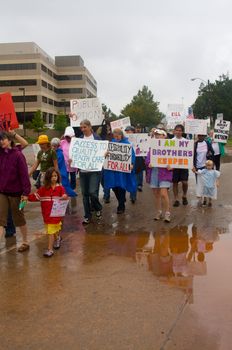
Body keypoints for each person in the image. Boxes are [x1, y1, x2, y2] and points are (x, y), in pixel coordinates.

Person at [0, 131, 31, 252]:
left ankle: (25, 241)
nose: (1, 141)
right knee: (1, 220)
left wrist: (26, 193)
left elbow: (24, 175)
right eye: (0, 140)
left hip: (17, 193)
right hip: (2, 192)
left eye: (3, 139)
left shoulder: (17, 154)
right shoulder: (1, 153)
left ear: (9, 140)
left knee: (19, 218)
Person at [28, 167, 68, 257]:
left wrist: (64, 196)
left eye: (55, 176)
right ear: (48, 177)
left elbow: (65, 195)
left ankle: (50, 249)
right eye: (52, 176)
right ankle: (57, 238)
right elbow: (36, 196)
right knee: (52, 230)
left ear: (58, 177)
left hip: (56, 215)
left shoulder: (60, 188)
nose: (54, 178)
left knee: (50, 231)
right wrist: (27, 197)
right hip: (46, 215)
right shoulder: (43, 189)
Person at [104, 128, 136, 214]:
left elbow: (132, 155)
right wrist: (106, 154)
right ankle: (121, 200)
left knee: (121, 186)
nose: (116, 137)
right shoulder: (112, 144)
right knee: (114, 187)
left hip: (122, 171)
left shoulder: (127, 144)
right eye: (115, 136)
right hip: (114, 170)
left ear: (121, 135)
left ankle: (121, 206)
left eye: (118, 136)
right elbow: (107, 154)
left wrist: (132, 163)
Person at [4, 130, 29, 238]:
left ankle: (14, 232)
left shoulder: (16, 152)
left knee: (16, 212)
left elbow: (25, 144)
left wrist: (13, 134)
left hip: (15, 189)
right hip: (3, 187)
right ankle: (9, 228)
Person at [78, 119, 103, 225]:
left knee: (93, 192)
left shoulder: (97, 138)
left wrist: (104, 153)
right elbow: (76, 153)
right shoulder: (79, 139)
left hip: (94, 170)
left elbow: (102, 150)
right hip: (83, 171)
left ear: (90, 127)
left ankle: (98, 208)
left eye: (84, 127)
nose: (83, 129)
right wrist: (72, 159)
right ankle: (87, 216)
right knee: (85, 194)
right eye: (81, 127)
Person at [145, 128, 173, 223]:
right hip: (154, 172)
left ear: (164, 136)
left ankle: (167, 213)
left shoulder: (170, 146)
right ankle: (159, 211)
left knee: (163, 194)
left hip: (165, 173)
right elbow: (148, 159)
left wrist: (172, 166)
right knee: (156, 195)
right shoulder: (152, 147)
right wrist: (149, 163)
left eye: (159, 134)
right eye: (156, 135)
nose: (157, 136)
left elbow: (175, 159)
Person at [125, 125, 146, 203]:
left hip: (137, 160)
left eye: (129, 131)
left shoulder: (139, 138)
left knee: (134, 179)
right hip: (127, 160)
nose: (127, 132)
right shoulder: (123, 139)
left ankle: (133, 196)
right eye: (126, 131)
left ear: (133, 131)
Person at [172, 124, 189, 207]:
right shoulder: (171, 141)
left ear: (182, 131)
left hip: (183, 165)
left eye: (180, 130)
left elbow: (189, 154)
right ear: (174, 131)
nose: (178, 132)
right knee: (175, 183)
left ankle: (184, 195)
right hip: (174, 165)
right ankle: (176, 199)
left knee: (184, 182)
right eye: (177, 130)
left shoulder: (186, 141)